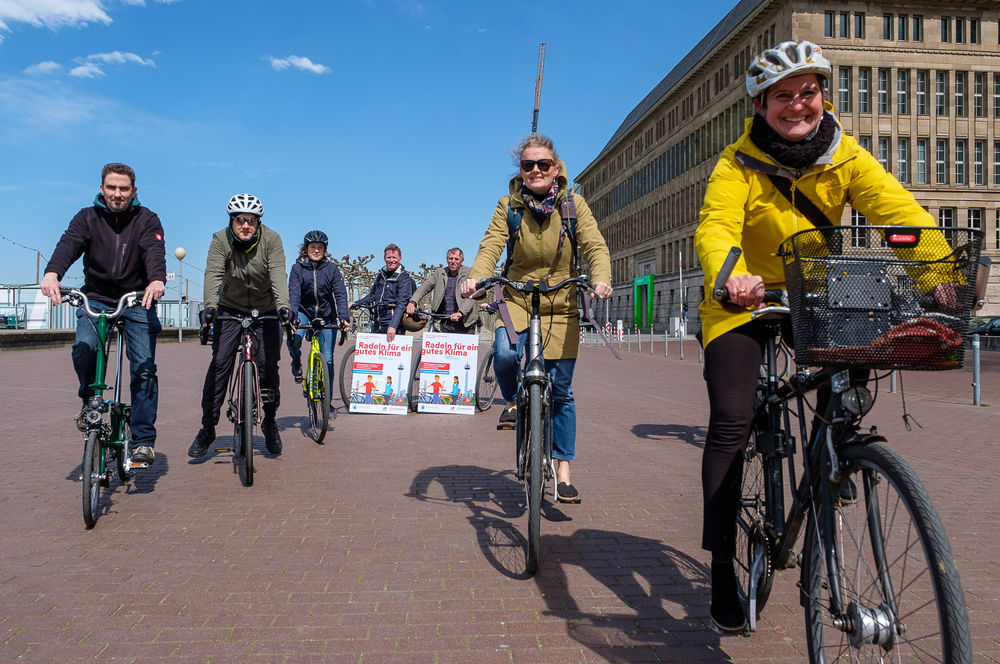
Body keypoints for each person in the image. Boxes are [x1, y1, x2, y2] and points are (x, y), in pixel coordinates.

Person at [694, 40, 941, 634]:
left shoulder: (844, 154)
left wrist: (940, 275)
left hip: (813, 291)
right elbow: (716, 225)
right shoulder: (736, 163)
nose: (798, 105)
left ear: (823, 96)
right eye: (782, 95)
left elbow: (899, 212)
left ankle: (833, 462)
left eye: (808, 92)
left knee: (849, 382)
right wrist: (731, 275)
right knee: (732, 419)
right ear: (760, 106)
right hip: (743, 297)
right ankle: (722, 565)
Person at [461, 134, 613, 504]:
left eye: (543, 164)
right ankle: (514, 400)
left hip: (561, 302)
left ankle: (563, 471)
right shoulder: (508, 206)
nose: (535, 170)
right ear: (521, 170)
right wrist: (477, 278)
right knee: (505, 354)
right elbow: (491, 245)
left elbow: (594, 245)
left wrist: (601, 278)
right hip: (517, 297)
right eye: (528, 164)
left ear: (555, 168)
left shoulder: (573, 205)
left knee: (561, 391)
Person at [40, 162, 166, 467]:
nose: (117, 194)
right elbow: (69, 244)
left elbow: (153, 252)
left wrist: (156, 280)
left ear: (134, 191)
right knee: (84, 348)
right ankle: (89, 401)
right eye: (112, 187)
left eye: (124, 188)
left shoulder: (147, 219)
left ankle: (143, 440)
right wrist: (52, 273)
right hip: (95, 298)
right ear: (101, 189)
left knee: (144, 367)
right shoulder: (87, 217)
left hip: (137, 298)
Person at [189, 193, 291, 458]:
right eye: (239, 220)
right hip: (230, 306)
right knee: (220, 363)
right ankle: (208, 428)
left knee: (268, 367)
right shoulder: (220, 239)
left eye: (251, 221)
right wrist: (210, 306)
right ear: (231, 221)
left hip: (266, 308)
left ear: (258, 223)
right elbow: (213, 272)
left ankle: (270, 422)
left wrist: (284, 306)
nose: (245, 226)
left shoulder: (272, 240)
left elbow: (278, 274)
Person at [286, 230, 350, 407]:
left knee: (327, 359)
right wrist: (293, 317)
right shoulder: (297, 269)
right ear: (306, 248)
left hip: (326, 315)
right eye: (313, 247)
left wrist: (343, 317)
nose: (316, 250)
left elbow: (340, 294)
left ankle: (326, 402)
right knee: (294, 339)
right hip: (303, 312)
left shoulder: (332, 269)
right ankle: (296, 359)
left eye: (320, 247)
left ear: (325, 250)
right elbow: (294, 294)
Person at [349, 244, 414, 343]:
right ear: (384, 258)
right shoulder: (381, 275)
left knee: (392, 352)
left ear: (400, 259)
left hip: (395, 325)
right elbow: (372, 295)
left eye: (394, 257)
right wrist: (357, 303)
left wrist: (393, 325)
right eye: (388, 257)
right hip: (377, 322)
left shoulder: (404, 278)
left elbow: (401, 304)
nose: (391, 260)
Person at [405, 248, 477, 334]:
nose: (453, 261)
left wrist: (461, 312)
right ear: (447, 259)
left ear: (461, 261)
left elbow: (473, 296)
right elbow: (424, 287)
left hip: (466, 322)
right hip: (446, 321)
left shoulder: (469, 273)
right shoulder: (439, 273)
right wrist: (412, 302)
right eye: (450, 258)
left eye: (456, 259)